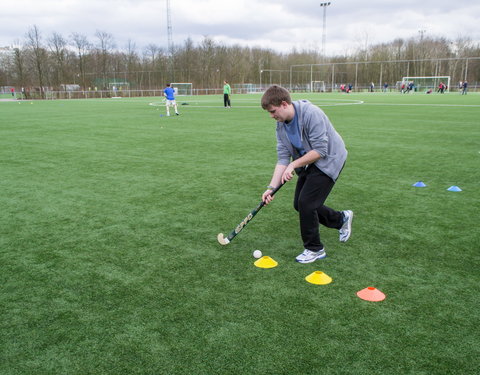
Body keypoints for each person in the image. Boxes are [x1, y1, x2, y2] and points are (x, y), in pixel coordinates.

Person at [260, 85, 353, 264]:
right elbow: (282, 159)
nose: (272, 116)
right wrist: (271, 188)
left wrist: (293, 165)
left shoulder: (311, 114)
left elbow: (320, 151)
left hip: (329, 159)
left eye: (273, 111)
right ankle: (341, 219)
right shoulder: (280, 126)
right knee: (300, 204)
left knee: (307, 203)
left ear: (284, 104)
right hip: (308, 161)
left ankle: (314, 249)